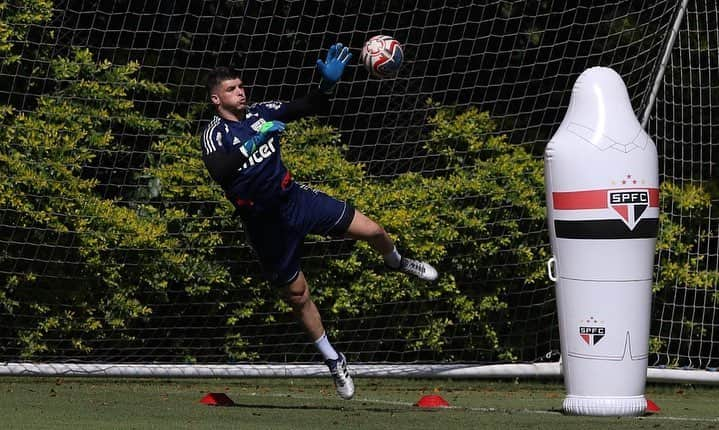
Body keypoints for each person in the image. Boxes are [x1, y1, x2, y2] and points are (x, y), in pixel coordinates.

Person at [200, 43, 438, 400]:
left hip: (296, 199)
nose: (241, 91)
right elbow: (220, 171)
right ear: (217, 100)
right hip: (265, 225)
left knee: (373, 230)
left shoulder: (260, 112)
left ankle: (400, 262)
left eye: (241, 85)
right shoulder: (214, 134)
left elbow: (310, 106)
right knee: (298, 296)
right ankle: (333, 360)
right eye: (232, 89)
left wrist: (327, 85)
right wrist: (255, 144)